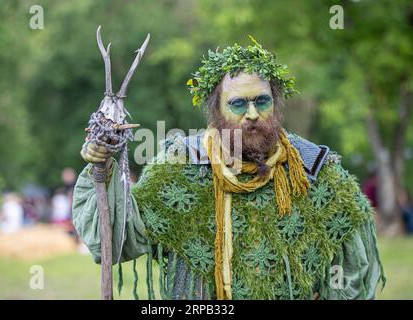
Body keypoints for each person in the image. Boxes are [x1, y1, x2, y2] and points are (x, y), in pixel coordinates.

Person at [73, 39, 385, 300]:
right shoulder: (182, 165)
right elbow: (116, 239)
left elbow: (356, 266)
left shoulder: (313, 169)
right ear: (216, 110)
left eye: (262, 101)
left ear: (275, 104)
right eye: (238, 104)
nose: (252, 113)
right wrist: (101, 171)